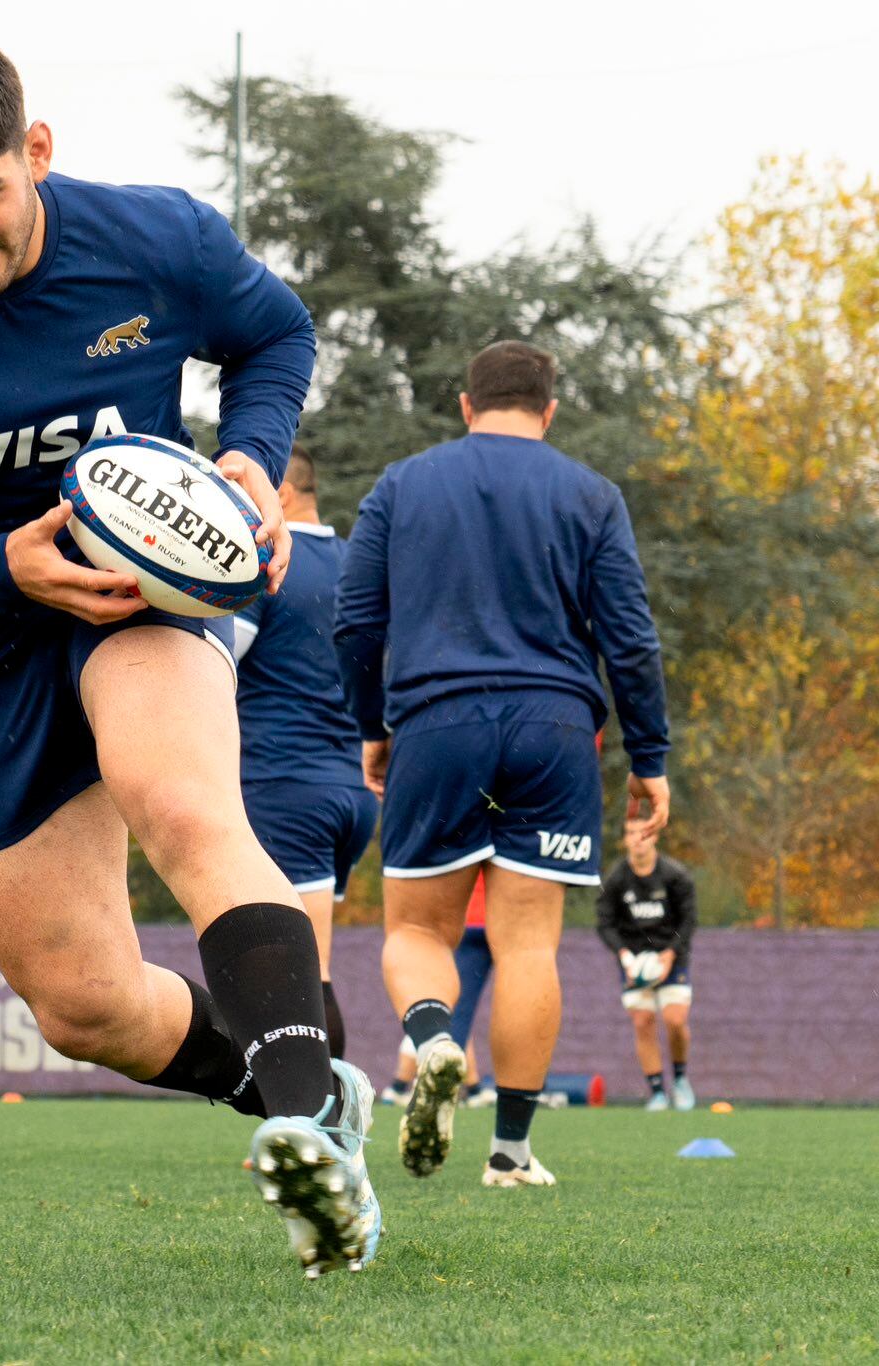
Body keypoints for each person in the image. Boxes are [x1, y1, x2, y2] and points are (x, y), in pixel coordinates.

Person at [0, 35, 378, 1276]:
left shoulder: (155, 239)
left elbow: (275, 336)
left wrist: (252, 460)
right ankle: (296, 1089)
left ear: (34, 154)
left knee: (180, 799)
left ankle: (314, 1129)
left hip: (144, 600)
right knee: (83, 1007)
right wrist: (0, 567)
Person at [336, 340, 669, 1190]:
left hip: (436, 727)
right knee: (529, 946)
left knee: (415, 930)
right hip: (556, 729)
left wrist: (372, 725)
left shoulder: (402, 485)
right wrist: (649, 756)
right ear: (549, 410)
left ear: (464, 404)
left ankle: (437, 1040)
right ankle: (513, 1154)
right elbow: (629, 641)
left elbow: (355, 624)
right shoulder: (591, 495)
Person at [231, 443, 375, 1061]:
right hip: (352, 797)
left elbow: (211, 667)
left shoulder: (267, 565)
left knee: (301, 980)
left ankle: (323, 1132)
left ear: (281, 492)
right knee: (304, 970)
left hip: (288, 786)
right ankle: (318, 1127)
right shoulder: (356, 567)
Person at [597, 827, 698, 1111]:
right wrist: (625, 956)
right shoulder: (616, 880)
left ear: (654, 838)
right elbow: (605, 924)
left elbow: (688, 921)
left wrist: (669, 954)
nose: (638, 840)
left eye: (644, 834)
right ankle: (656, 1091)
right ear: (625, 839)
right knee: (642, 1021)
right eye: (631, 834)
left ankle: (679, 1079)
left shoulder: (675, 876)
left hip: (672, 957)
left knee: (675, 1020)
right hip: (635, 962)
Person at [381, 871, 497, 1109]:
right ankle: (517, 1095)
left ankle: (414, 1088)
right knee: (450, 1012)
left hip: (465, 921)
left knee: (446, 1011)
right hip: (502, 918)